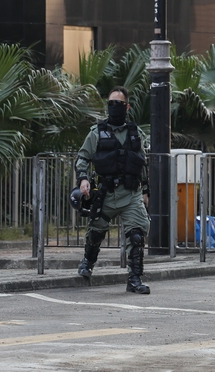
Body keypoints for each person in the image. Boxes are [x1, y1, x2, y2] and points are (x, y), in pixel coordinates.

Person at [74, 86, 151, 294]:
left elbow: (142, 163)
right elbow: (82, 158)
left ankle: (134, 280)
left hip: (130, 194)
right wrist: (82, 180)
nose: (114, 108)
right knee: (96, 233)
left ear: (127, 107)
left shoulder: (136, 133)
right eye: (110, 104)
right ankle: (88, 262)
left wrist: (145, 192)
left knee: (136, 236)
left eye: (118, 104)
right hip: (106, 193)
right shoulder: (96, 133)